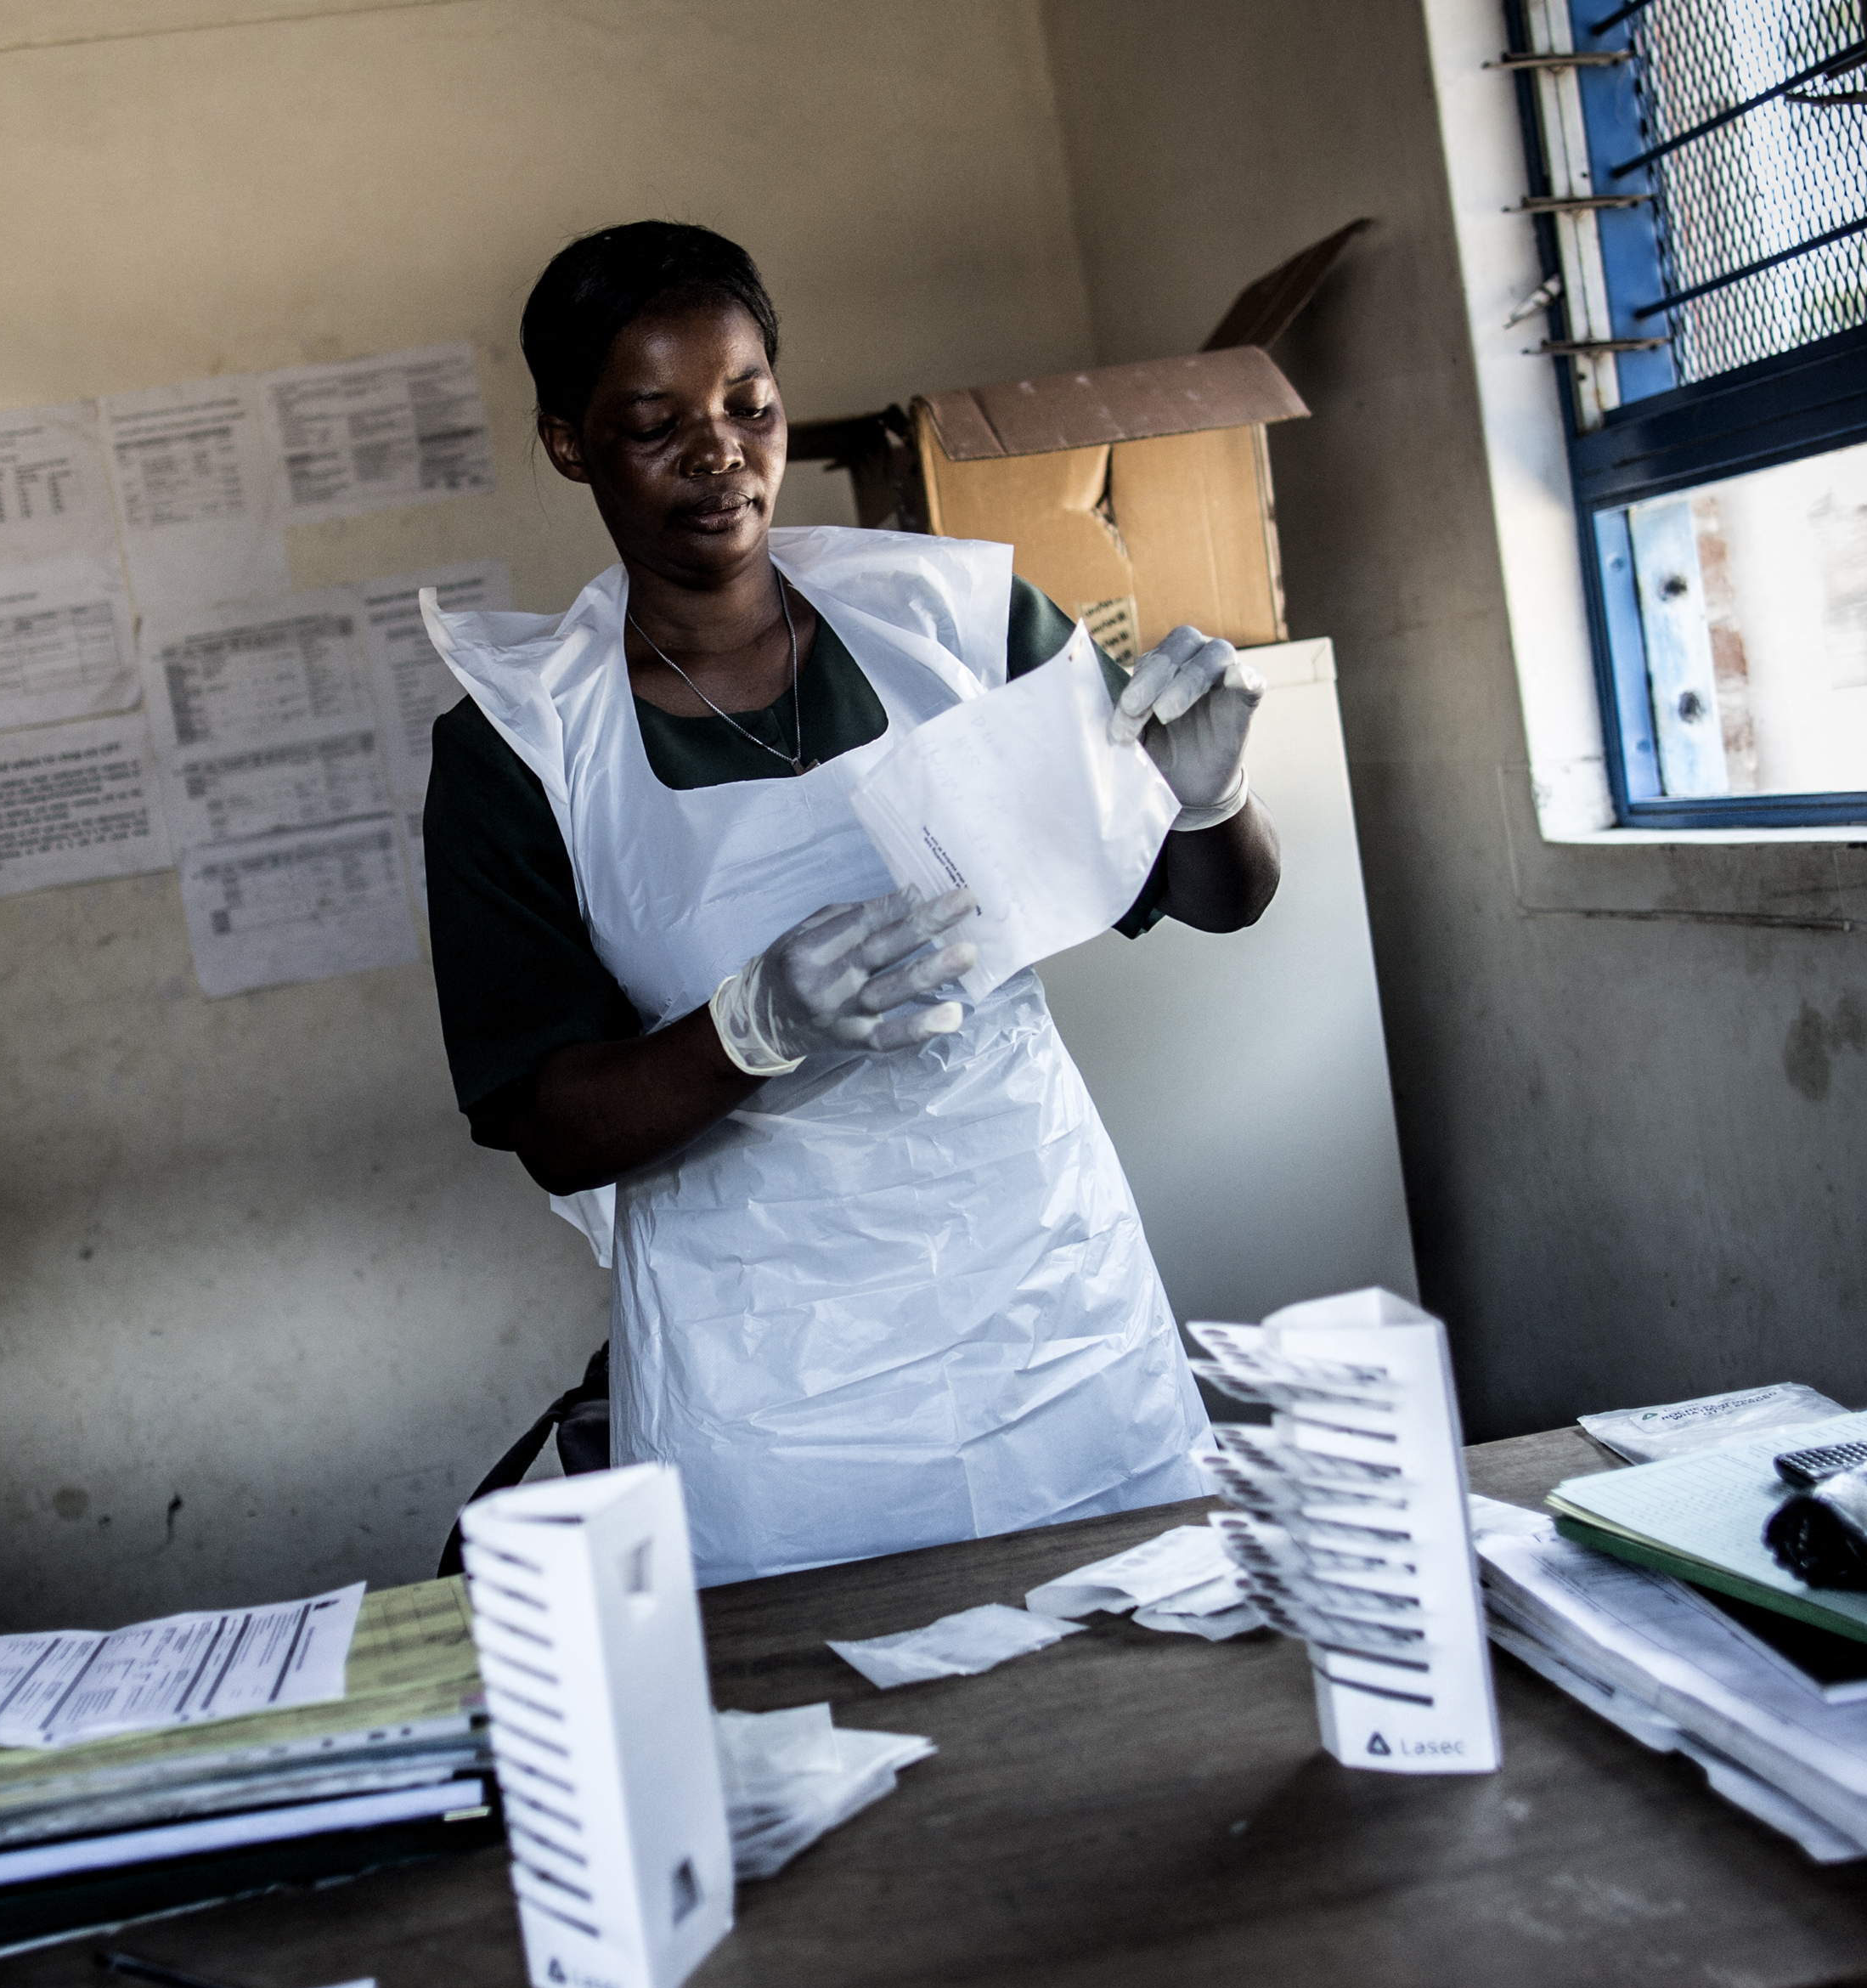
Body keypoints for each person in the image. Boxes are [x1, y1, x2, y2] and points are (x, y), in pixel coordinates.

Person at [420, 222, 1280, 1584]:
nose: (720, 453)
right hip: (776, 1381)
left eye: (749, 406)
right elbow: (553, 1125)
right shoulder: (522, 750)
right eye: (656, 423)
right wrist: (748, 1027)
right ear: (570, 443)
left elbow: (1215, 900)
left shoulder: (952, 625)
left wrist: (1211, 796)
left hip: (1046, 1300)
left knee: (1134, 1672)